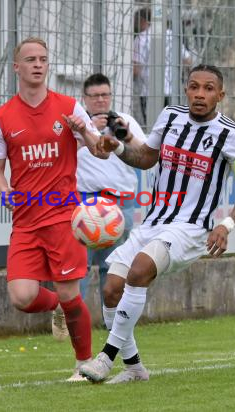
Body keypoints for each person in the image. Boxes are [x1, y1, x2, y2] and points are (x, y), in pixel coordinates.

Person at [79, 65, 235, 384]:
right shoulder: (171, 116)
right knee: (110, 290)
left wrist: (226, 225)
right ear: (186, 90)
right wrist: (118, 147)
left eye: (207, 88)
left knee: (138, 271)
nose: (199, 94)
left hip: (191, 228)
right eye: (193, 87)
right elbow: (147, 158)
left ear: (220, 94)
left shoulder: (233, 134)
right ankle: (134, 368)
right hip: (154, 222)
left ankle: (105, 358)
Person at [0, 37, 102, 382]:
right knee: (22, 296)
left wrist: (85, 132)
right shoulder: (2, 117)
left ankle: (84, 364)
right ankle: (56, 309)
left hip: (64, 217)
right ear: (16, 68)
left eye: (43, 59)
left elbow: (101, 151)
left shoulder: (69, 108)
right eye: (30, 59)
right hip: (25, 221)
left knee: (71, 293)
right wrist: (4, 189)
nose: (38, 64)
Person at [76, 73, 146, 305]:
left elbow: (144, 152)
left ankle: (114, 321)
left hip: (120, 201)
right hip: (86, 201)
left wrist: (126, 135)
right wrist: (90, 131)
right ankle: (76, 320)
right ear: (84, 98)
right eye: (94, 96)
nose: (100, 100)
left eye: (105, 95)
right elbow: (62, 154)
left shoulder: (124, 120)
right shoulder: (78, 124)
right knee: (80, 265)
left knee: (115, 266)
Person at [133, 7, 192, 125]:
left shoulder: (141, 38)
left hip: (148, 91)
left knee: (152, 126)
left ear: (143, 20)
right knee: (171, 126)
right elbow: (187, 60)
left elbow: (136, 68)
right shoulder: (171, 36)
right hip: (171, 90)